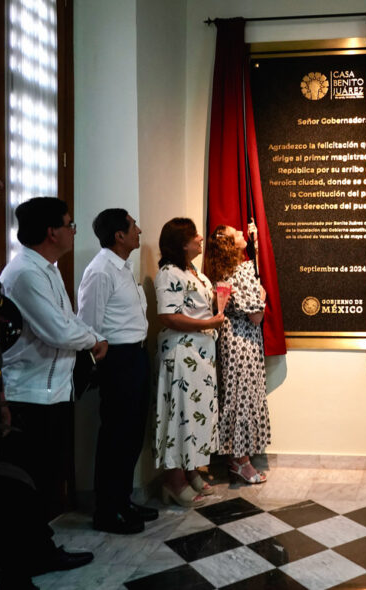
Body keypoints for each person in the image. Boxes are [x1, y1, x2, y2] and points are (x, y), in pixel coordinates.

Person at [0, 197, 108, 519]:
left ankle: (42, 546)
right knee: (32, 476)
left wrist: (95, 337)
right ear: (52, 232)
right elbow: (58, 331)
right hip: (30, 392)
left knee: (49, 473)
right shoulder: (25, 273)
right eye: (70, 225)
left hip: (54, 389)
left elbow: (68, 318)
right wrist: (93, 340)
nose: (75, 231)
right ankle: (31, 552)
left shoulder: (47, 269)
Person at [77, 209, 158, 534]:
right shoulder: (100, 271)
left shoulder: (123, 268)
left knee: (132, 434)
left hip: (136, 356)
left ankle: (122, 499)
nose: (139, 229)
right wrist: (102, 362)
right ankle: (107, 511)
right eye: (133, 225)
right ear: (119, 236)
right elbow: (89, 323)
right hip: (117, 360)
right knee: (116, 436)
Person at [153, 218, 224, 507]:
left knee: (196, 413)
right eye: (194, 235)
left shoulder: (194, 271)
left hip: (201, 356)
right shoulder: (169, 273)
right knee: (180, 412)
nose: (200, 238)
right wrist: (209, 322)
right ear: (182, 243)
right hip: (182, 356)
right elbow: (168, 316)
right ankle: (173, 479)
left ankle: (191, 469)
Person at [204, 223, 269, 485]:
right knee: (243, 398)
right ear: (230, 245)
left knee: (236, 396)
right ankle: (241, 462)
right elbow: (256, 315)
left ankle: (237, 459)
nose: (243, 233)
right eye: (237, 234)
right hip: (244, 343)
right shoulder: (241, 272)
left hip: (233, 342)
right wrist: (262, 295)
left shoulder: (225, 271)